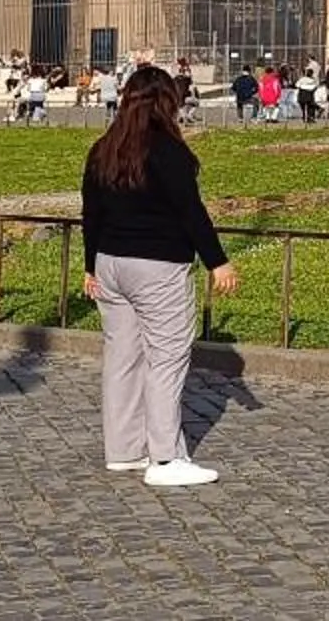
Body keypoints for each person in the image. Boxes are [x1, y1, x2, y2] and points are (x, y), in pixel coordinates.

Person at [82, 70, 236, 487]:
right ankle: (165, 458)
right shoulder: (169, 151)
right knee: (166, 357)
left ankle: (123, 449)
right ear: (167, 102)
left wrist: (90, 265)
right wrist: (216, 261)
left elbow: (90, 210)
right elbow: (191, 211)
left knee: (122, 357)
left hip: (111, 262)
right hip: (157, 265)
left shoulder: (103, 149)